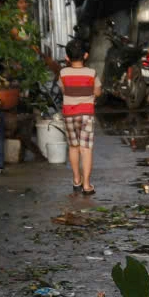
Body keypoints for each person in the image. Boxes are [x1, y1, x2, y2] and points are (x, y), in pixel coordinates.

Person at [58, 41, 99, 196]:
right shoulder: (92, 73)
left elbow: (63, 89)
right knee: (86, 148)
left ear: (67, 57)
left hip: (69, 114)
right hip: (87, 114)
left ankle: (76, 180)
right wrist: (93, 95)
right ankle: (87, 185)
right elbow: (98, 91)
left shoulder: (62, 73)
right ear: (86, 55)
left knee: (73, 147)